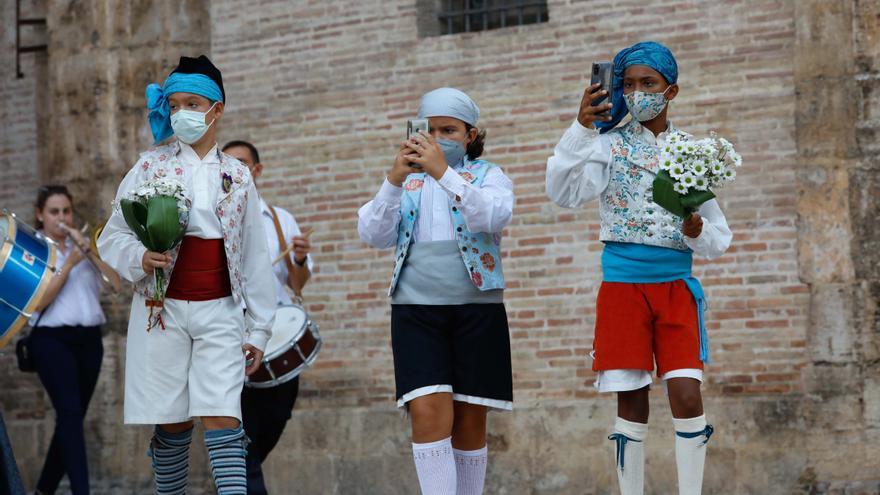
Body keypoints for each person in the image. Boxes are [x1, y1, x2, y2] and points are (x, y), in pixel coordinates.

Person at [545, 41, 733, 495]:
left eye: (648, 83)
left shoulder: (692, 152)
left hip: (675, 290)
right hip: (623, 290)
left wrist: (693, 229)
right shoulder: (606, 146)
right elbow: (563, 193)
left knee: (687, 394)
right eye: (627, 84)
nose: (637, 92)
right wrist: (581, 127)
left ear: (671, 91)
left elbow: (718, 239)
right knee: (630, 399)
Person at [97, 55, 276, 495]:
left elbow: (253, 254)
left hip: (220, 309)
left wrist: (260, 330)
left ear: (217, 109)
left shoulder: (238, 176)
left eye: (192, 103)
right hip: (163, 309)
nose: (182, 114)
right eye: (174, 105)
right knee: (172, 419)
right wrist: (140, 257)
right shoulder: (147, 168)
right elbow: (111, 236)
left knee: (223, 413)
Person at [358, 87, 515, 495]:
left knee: (469, 418)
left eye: (448, 130)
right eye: (429, 130)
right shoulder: (404, 182)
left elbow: (492, 215)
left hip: (476, 309)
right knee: (426, 410)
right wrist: (394, 179)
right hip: (416, 310)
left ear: (469, 134)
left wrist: (444, 172)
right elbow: (373, 234)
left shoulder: (490, 176)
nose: (437, 138)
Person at [222, 140, 313, 495]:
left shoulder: (280, 220)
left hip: (273, 339)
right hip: (229, 338)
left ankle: (231, 483)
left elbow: (297, 284)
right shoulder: (212, 219)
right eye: (227, 163)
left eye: (242, 163)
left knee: (274, 420)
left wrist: (300, 260)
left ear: (257, 171)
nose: (234, 169)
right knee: (238, 432)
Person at [29, 184, 121, 495]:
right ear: (40, 215)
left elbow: (115, 285)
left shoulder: (83, 247)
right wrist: (68, 263)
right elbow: (38, 301)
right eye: (54, 212)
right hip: (51, 340)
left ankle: (44, 490)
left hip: (89, 340)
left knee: (72, 418)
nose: (62, 217)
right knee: (69, 413)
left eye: (66, 211)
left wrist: (90, 253)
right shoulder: (35, 249)